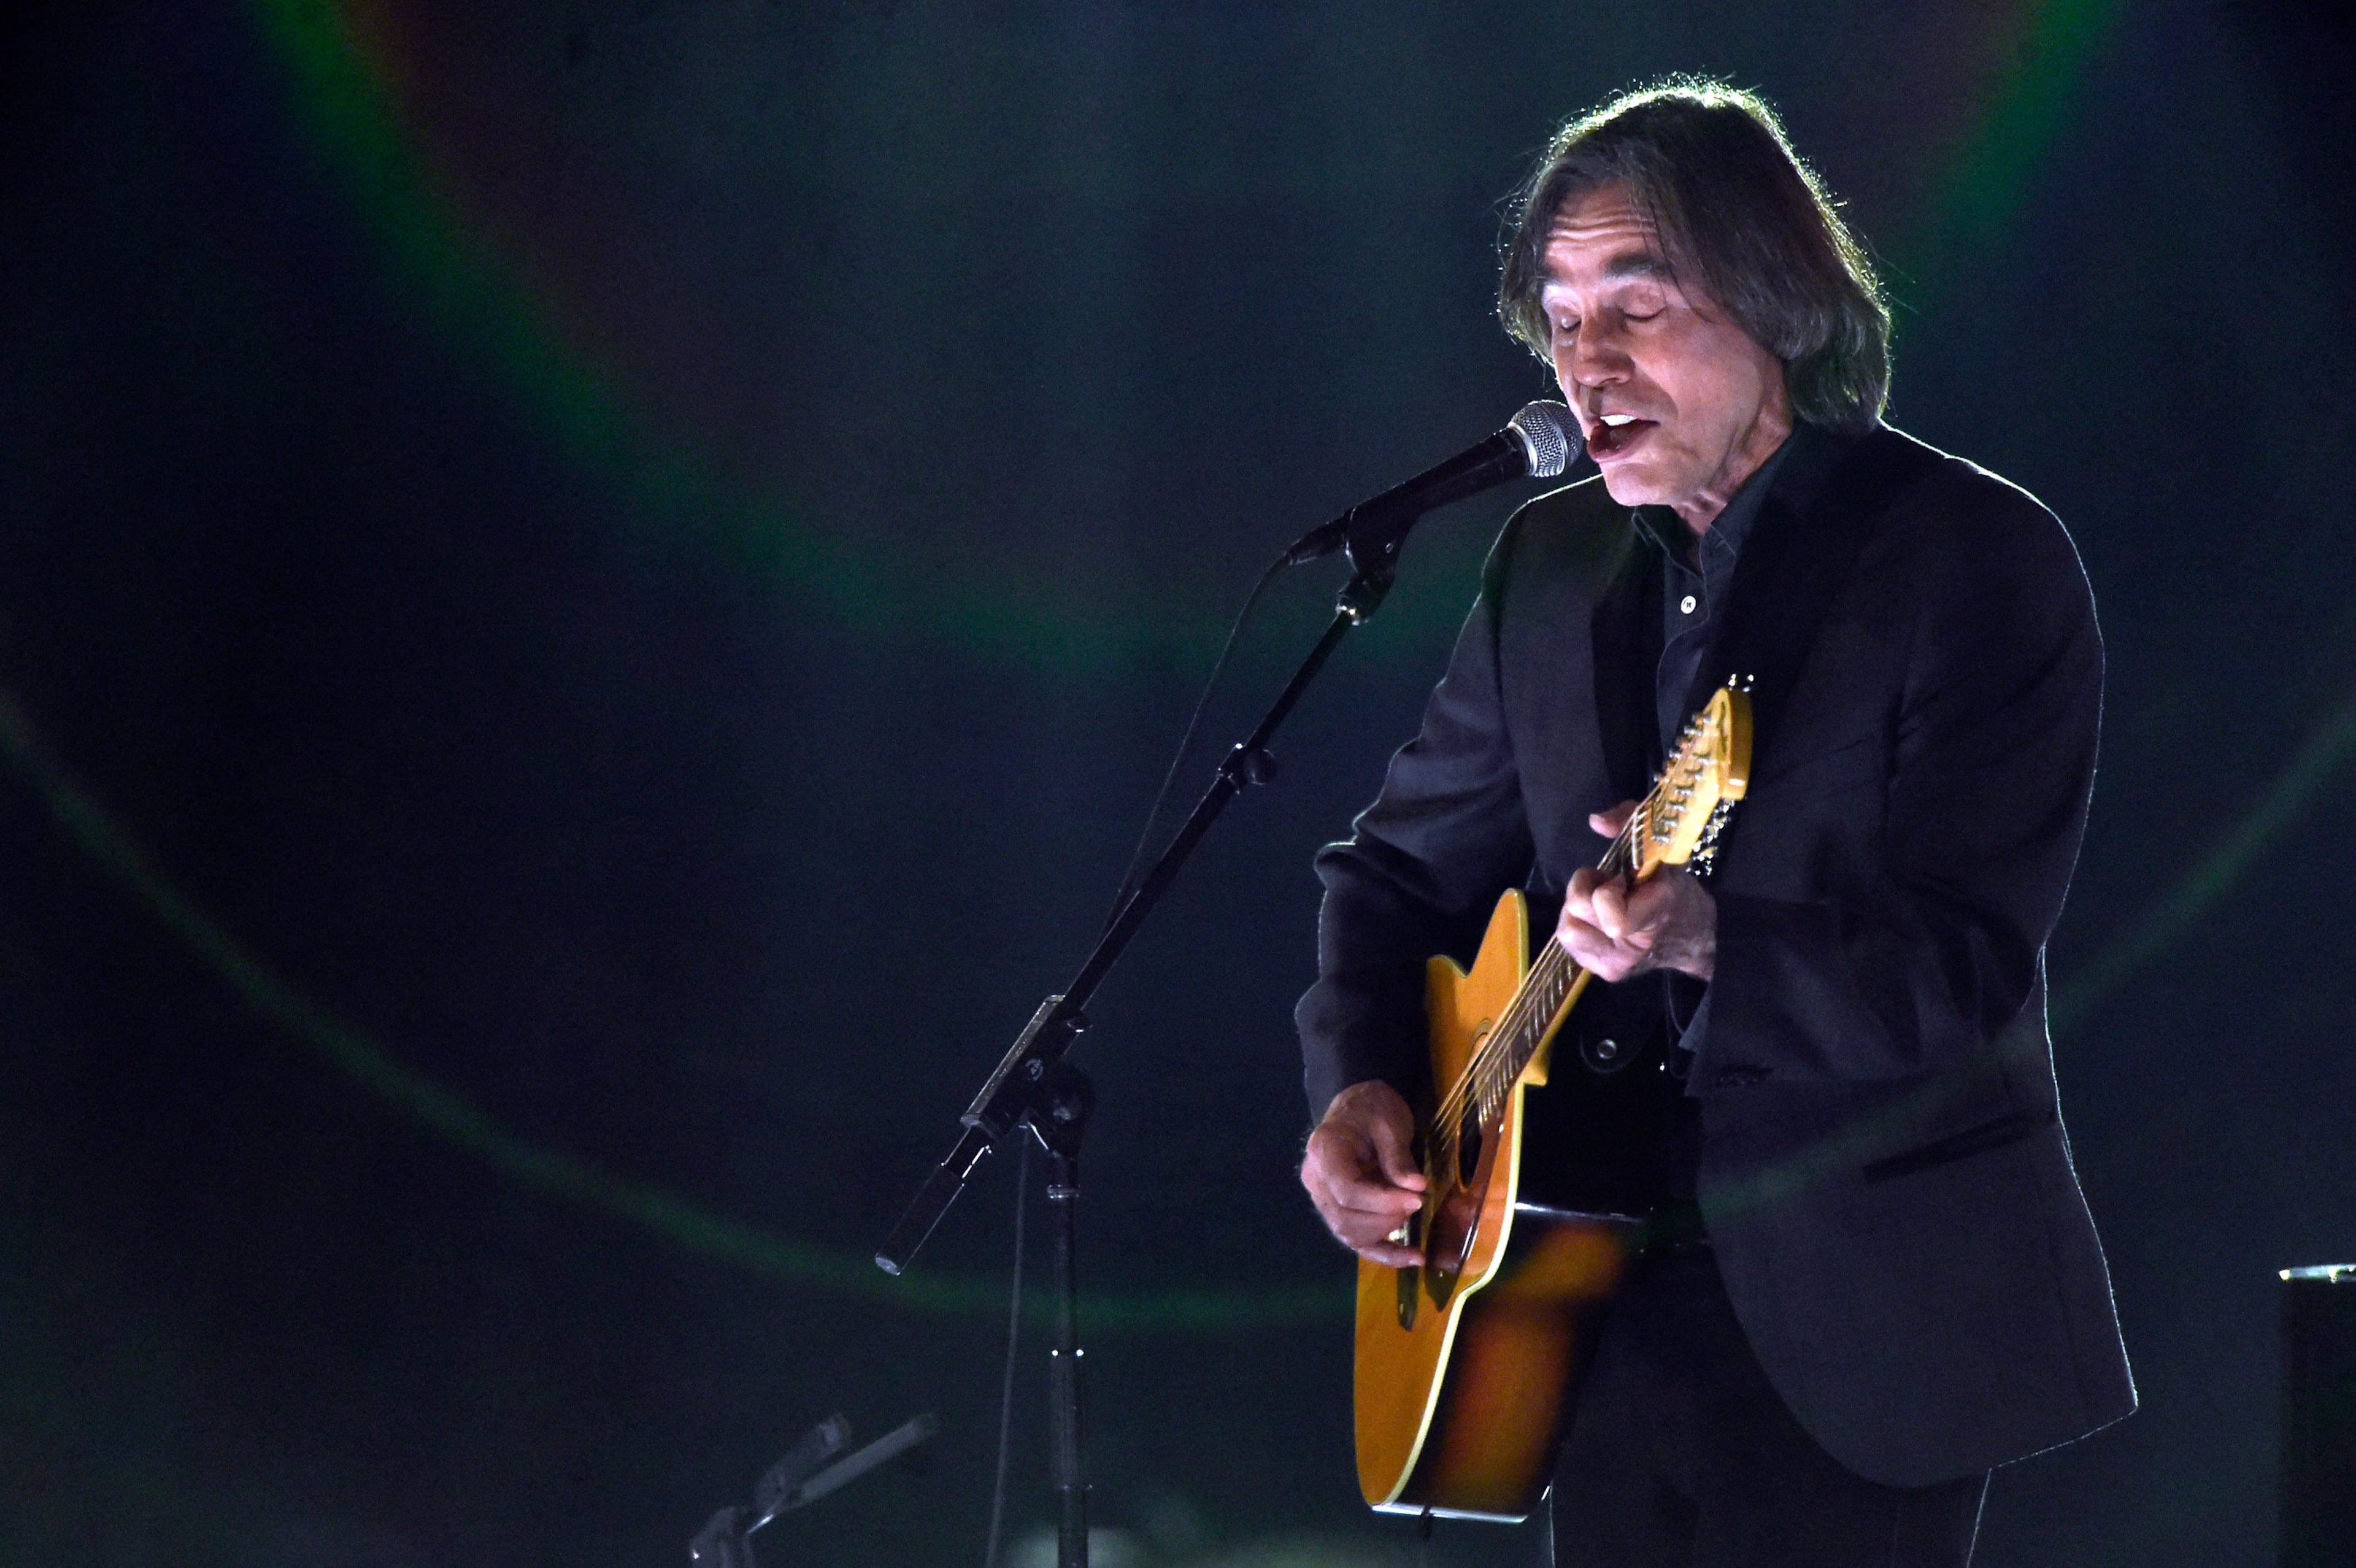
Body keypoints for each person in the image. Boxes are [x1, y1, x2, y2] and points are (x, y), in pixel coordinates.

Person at [1293, 82, 2134, 1566]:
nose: (1585, 360)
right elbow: (1398, 874)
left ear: (1778, 300)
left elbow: (1962, 973)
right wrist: (1361, 1076)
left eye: (1638, 302)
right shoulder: (1545, 567)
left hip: (1864, 1307)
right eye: (1558, 318)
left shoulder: (1970, 558)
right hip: (1581, 1297)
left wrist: (1709, 936)